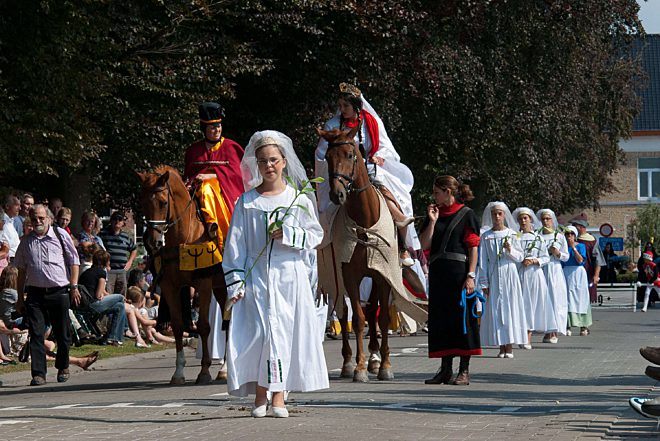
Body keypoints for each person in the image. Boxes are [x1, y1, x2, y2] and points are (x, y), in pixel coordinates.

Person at [224, 130, 329, 418]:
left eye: (273, 160)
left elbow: (314, 235)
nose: (268, 166)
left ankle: (279, 396)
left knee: (282, 333)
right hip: (257, 277)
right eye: (262, 161)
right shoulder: (246, 202)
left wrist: (289, 234)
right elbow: (235, 244)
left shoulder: (298, 199)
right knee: (259, 334)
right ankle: (260, 393)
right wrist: (236, 281)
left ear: (283, 161)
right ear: (256, 165)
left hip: (288, 277)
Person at [315, 83, 419, 265]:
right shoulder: (333, 125)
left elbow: (386, 148)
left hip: (369, 167)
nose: (342, 110)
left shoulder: (372, 122)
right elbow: (322, 152)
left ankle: (402, 244)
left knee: (392, 191)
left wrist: (380, 158)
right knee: (330, 202)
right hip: (343, 171)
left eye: (345, 106)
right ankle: (329, 243)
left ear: (356, 106)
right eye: (340, 106)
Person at [419, 176, 481, 386]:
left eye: (437, 192)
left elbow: (473, 248)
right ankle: (445, 370)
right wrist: (433, 221)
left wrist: (470, 276)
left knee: (462, 321)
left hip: (459, 275)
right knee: (442, 321)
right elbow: (424, 244)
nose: (434, 196)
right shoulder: (433, 214)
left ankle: (463, 370)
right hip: (439, 275)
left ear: (448, 191)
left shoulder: (466, 214)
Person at [14, 204, 81, 386]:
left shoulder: (60, 235)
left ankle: (63, 366)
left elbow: (74, 261)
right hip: (35, 293)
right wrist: (20, 298)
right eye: (34, 218)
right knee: (36, 334)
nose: (38, 222)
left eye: (41, 218)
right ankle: (38, 374)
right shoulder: (26, 242)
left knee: (62, 332)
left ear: (49, 218)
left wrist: (73, 286)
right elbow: (21, 271)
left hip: (59, 291)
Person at [183, 101, 245, 242]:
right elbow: (188, 175)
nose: (217, 130)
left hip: (224, 192)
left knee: (206, 187)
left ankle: (214, 227)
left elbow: (239, 174)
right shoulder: (193, 151)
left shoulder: (231, 147)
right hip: (195, 192)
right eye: (212, 127)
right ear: (204, 129)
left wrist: (212, 176)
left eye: (219, 126)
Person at [477, 202, 527, 358]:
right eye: (494, 214)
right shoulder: (486, 237)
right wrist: (484, 282)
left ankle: (509, 345)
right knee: (497, 309)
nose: (497, 217)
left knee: (510, 307)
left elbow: (520, 257)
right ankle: (501, 345)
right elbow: (483, 261)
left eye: (499, 214)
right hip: (494, 275)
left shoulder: (512, 234)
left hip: (509, 274)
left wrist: (509, 250)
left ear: (504, 215)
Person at [512, 207, 555, 350]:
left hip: (535, 275)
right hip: (521, 274)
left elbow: (546, 257)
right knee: (522, 304)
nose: (523, 221)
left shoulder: (538, 238)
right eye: (520, 219)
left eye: (526, 218)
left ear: (530, 219)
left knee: (533, 304)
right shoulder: (515, 237)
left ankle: (528, 336)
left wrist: (534, 261)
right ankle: (521, 334)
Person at [536, 209, 569, 343]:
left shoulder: (559, 236)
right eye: (543, 219)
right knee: (544, 299)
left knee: (555, 298)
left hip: (555, 270)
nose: (545, 222)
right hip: (542, 269)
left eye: (548, 219)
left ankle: (554, 330)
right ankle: (546, 329)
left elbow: (566, 256)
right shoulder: (537, 236)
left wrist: (558, 254)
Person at [562, 226, 592, 336]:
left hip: (578, 273)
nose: (569, 236)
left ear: (575, 236)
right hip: (566, 273)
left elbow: (580, 260)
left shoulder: (581, 246)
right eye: (567, 234)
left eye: (571, 234)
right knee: (567, 298)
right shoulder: (563, 247)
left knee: (581, 298)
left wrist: (573, 248)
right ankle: (568, 325)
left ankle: (584, 326)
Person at [98, 211, 137, 296]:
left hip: (122, 271)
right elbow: (98, 250)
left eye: (120, 219)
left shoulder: (125, 236)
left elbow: (134, 249)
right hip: (109, 271)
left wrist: (130, 262)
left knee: (121, 297)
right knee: (108, 296)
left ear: (123, 222)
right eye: (115, 219)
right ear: (111, 221)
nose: (117, 221)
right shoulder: (103, 234)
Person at [571, 219, 605, 303]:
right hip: (571, 272)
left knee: (585, 299)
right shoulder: (571, 240)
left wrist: (596, 275)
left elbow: (598, 260)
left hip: (587, 273)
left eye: (574, 226)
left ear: (580, 227)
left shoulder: (592, 241)